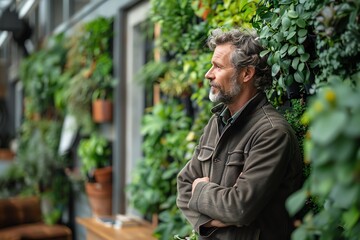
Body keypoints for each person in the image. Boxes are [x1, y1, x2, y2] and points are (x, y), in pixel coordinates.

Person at [176, 28, 303, 240]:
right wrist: (212, 220)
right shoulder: (216, 123)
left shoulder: (271, 133)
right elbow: (183, 188)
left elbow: (239, 209)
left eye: (217, 66)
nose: (208, 74)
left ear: (246, 73)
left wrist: (200, 191)